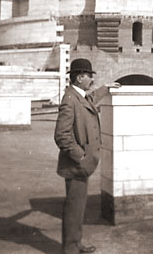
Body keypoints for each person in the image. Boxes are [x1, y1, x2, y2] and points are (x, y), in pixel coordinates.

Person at [54, 58, 120, 254]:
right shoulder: (70, 100)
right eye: (90, 76)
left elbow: (91, 99)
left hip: (81, 165)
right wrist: (80, 156)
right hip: (76, 165)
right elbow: (61, 135)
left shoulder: (79, 96)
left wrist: (106, 88)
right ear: (80, 77)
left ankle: (75, 243)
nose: (92, 79)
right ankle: (70, 249)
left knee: (78, 207)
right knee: (74, 208)